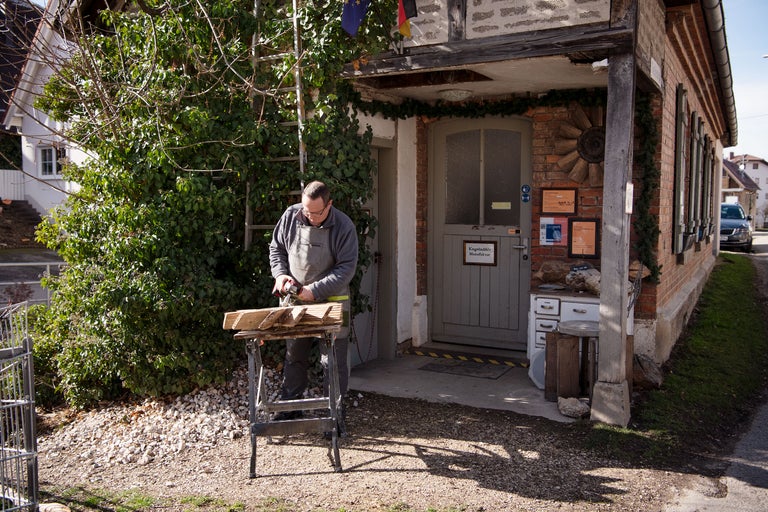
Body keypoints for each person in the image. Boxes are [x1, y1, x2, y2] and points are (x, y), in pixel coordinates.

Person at [269, 180, 358, 421]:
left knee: (333, 361)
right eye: (306, 210)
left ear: (329, 205)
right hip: (295, 302)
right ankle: (290, 408)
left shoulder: (344, 226)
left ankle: (334, 414)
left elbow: (346, 269)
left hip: (332, 303)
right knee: (294, 355)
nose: (310, 216)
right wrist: (281, 274)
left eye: (316, 212)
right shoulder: (291, 216)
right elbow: (276, 249)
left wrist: (314, 290)